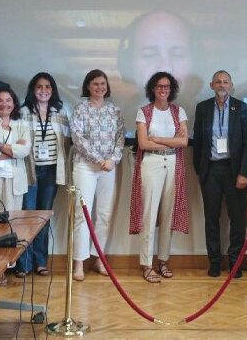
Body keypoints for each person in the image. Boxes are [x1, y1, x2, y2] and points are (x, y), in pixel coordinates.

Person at [194, 70, 247, 278]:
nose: (222, 85)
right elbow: (198, 142)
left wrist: (244, 172)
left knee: (237, 218)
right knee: (211, 218)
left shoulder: (243, 108)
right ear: (212, 85)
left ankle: (235, 262)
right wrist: (200, 171)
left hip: (234, 170)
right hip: (211, 170)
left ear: (231, 85)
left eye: (225, 82)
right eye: (218, 82)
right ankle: (214, 261)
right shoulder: (203, 108)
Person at [131, 72, 190, 283]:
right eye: (159, 86)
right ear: (152, 89)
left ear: (171, 89)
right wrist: (170, 141)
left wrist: (156, 138)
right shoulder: (144, 112)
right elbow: (143, 144)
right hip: (151, 164)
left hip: (173, 163)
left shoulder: (179, 111)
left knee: (168, 214)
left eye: (166, 86)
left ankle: (163, 261)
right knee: (149, 214)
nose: (163, 90)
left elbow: (183, 142)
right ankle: (147, 264)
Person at [69, 69, 124, 281]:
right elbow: (78, 138)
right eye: (95, 84)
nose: (100, 87)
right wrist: (99, 160)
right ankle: (79, 263)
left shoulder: (115, 110)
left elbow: (120, 138)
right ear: (88, 86)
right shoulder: (80, 108)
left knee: (104, 215)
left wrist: (112, 160)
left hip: (109, 168)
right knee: (82, 215)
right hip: (86, 167)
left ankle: (100, 259)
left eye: (103, 84)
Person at [18, 73, 71, 277]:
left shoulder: (61, 111)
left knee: (43, 216)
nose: (43, 90)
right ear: (33, 89)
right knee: (27, 214)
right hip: (29, 169)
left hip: (51, 170)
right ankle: (24, 262)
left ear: (52, 90)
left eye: (47, 86)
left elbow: (67, 141)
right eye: (39, 86)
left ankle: (40, 261)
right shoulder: (23, 111)